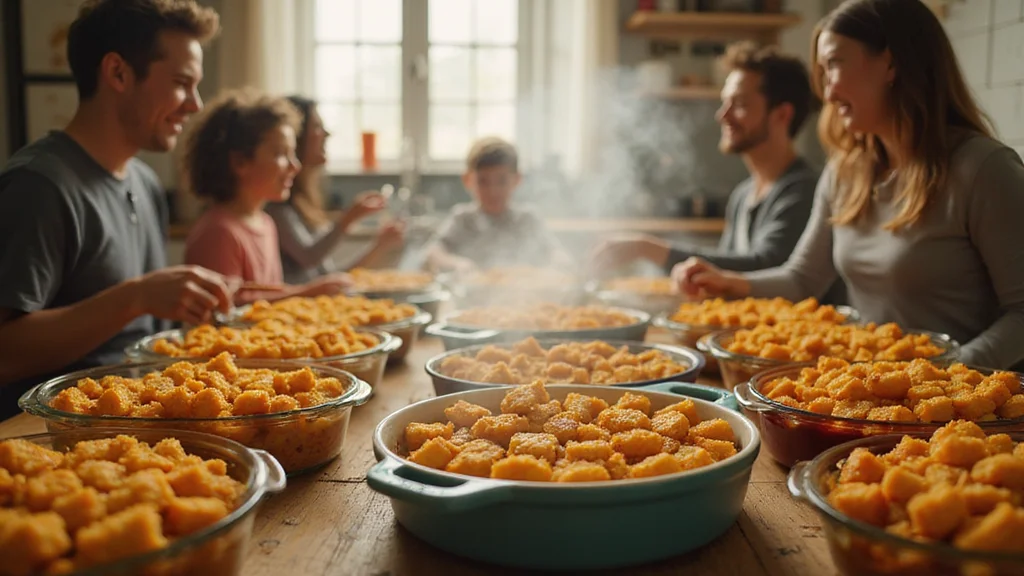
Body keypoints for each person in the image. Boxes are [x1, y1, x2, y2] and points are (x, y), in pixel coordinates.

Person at [672, 0, 1024, 370]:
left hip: (963, 406)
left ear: (891, 63)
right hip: (874, 388)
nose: (826, 91)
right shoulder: (845, 173)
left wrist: (945, 372)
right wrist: (727, 281)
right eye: (821, 71)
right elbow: (803, 278)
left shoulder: (984, 169)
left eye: (835, 65)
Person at [0, 0, 229, 419]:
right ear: (118, 73)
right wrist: (136, 297)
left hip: (142, 417)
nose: (195, 105)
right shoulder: (39, 185)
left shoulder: (143, 181)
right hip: (54, 441)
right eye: (182, 83)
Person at [590, 42, 844, 301]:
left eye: (740, 104)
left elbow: (765, 267)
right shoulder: (743, 194)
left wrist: (650, 249)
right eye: (725, 103)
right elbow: (723, 279)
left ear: (782, 115)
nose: (723, 115)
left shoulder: (803, 190)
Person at [182, 89, 362, 303]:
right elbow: (225, 313)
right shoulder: (219, 231)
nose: (295, 166)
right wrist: (306, 293)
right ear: (240, 162)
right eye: (280, 154)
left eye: (293, 153)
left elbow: (267, 301)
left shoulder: (265, 223)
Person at [266, 96, 406, 284]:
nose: (326, 134)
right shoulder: (276, 209)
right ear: (296, 139)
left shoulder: (304, 204)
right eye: (316, 127)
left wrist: (380, 246)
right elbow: (309, 257)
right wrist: (348, 219)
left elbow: (331, 280)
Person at [425, 137, 571, 273]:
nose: (493, 191)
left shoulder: (528, 219)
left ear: (517, 180)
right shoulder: (463, 218)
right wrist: (457, 264)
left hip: (524, 296)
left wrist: (557, 265)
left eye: (501, 181)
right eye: (483, 181)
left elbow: (557, 254)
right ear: (467, 180)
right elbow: (433, 252)